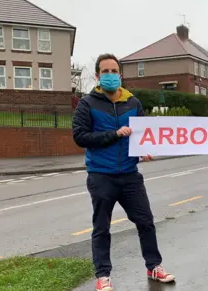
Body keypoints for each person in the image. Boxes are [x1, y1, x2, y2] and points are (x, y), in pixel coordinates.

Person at [72, 53, 175, 291]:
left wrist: (144, 150)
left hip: (130, 175)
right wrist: (114, 134)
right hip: (101, 175)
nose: (110, 76)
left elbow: (143, 134)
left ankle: (154, 266)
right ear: (97, 76)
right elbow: (80, 137)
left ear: (120, 75)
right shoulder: (88, 104)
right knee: (101, 227)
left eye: (113, 71)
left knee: (146, 222)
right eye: (105, 72)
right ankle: (103, 276)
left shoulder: (133, 103)